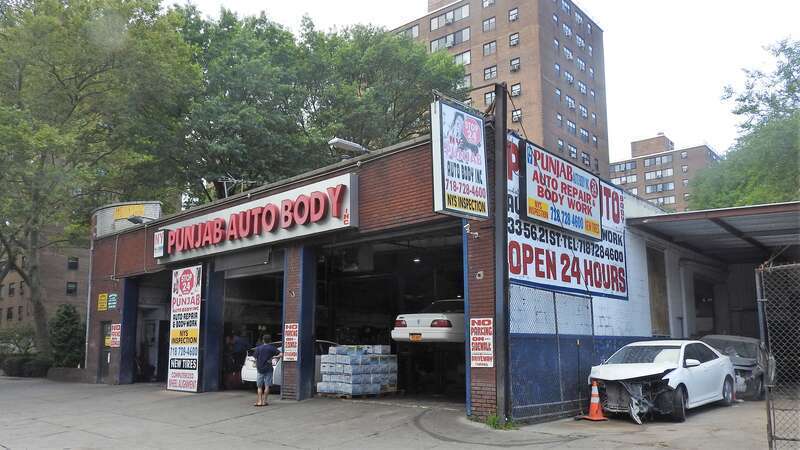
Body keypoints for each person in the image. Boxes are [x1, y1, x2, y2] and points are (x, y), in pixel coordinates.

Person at [253, 334, 280, 407]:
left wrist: (256, 364)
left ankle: (259, 402)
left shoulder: (258, 348)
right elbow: (281, 354)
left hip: (260, 369)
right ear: (270, 340)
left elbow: (255, 358)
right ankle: (265, 401)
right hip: (268, 368)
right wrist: (274, 357)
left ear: (263, 340)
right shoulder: (272, 348)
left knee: (259, 386)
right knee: (267, 386)